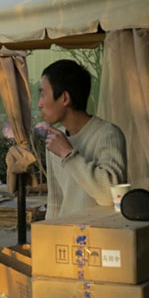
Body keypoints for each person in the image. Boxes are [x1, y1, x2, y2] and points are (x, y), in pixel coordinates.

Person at [38, 59, 127, 219]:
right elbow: (55, 203)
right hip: (66, 232)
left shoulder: (108, 134)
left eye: (43, 94)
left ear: (65, 98)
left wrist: (68, 155)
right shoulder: (55, 139)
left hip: (101, 231)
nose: (40, 104)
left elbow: (110, 195)